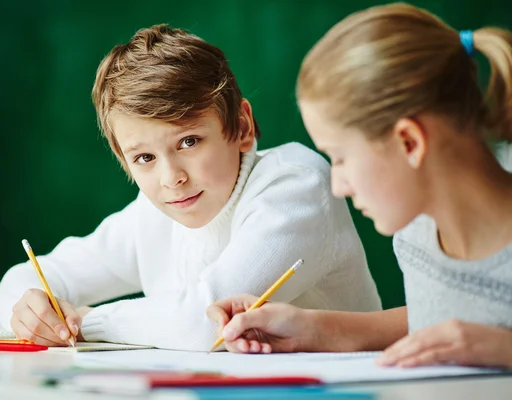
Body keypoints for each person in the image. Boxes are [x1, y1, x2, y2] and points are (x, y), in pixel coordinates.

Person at [0, 24, 381, 351]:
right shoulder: (155, 212)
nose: (171, 178)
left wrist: (85, 321)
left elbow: (206, 322)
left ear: (242, 127)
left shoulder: (294, 185)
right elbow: (24, 278)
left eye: (189, 142)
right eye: (144, 158)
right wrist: (29, 310)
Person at [207, 3, 512, 368]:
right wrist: (311, 327)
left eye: (339, 157)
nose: (338, 186)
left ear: (409, 143)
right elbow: (439, 319)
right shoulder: (416, 227)